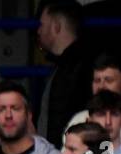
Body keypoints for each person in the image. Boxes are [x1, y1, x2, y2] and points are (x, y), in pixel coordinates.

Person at [35, 1, 94, 143]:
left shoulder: (74, 70)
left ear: (56, 27)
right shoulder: (64, 66)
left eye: (42, 24)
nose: (38, 31)